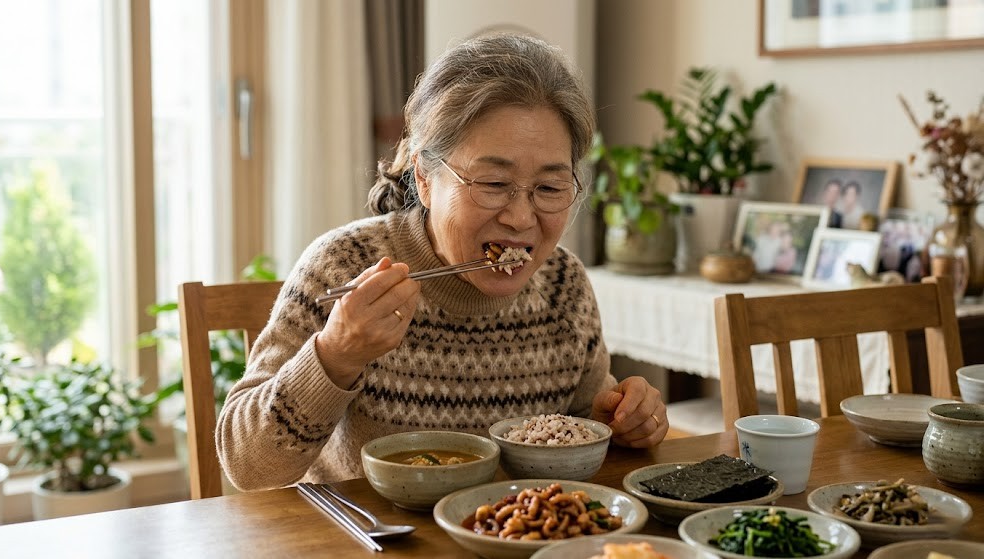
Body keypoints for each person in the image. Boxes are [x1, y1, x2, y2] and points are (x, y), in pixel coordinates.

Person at [216, 34, 669, 490]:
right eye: (493, 183)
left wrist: (624, 418)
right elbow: (247, 467)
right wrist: (336, 356)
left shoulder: (563, 284)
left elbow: (588, 422)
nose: (519, 218)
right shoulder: (342, 266)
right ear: (425, 179)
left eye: (550, 189)